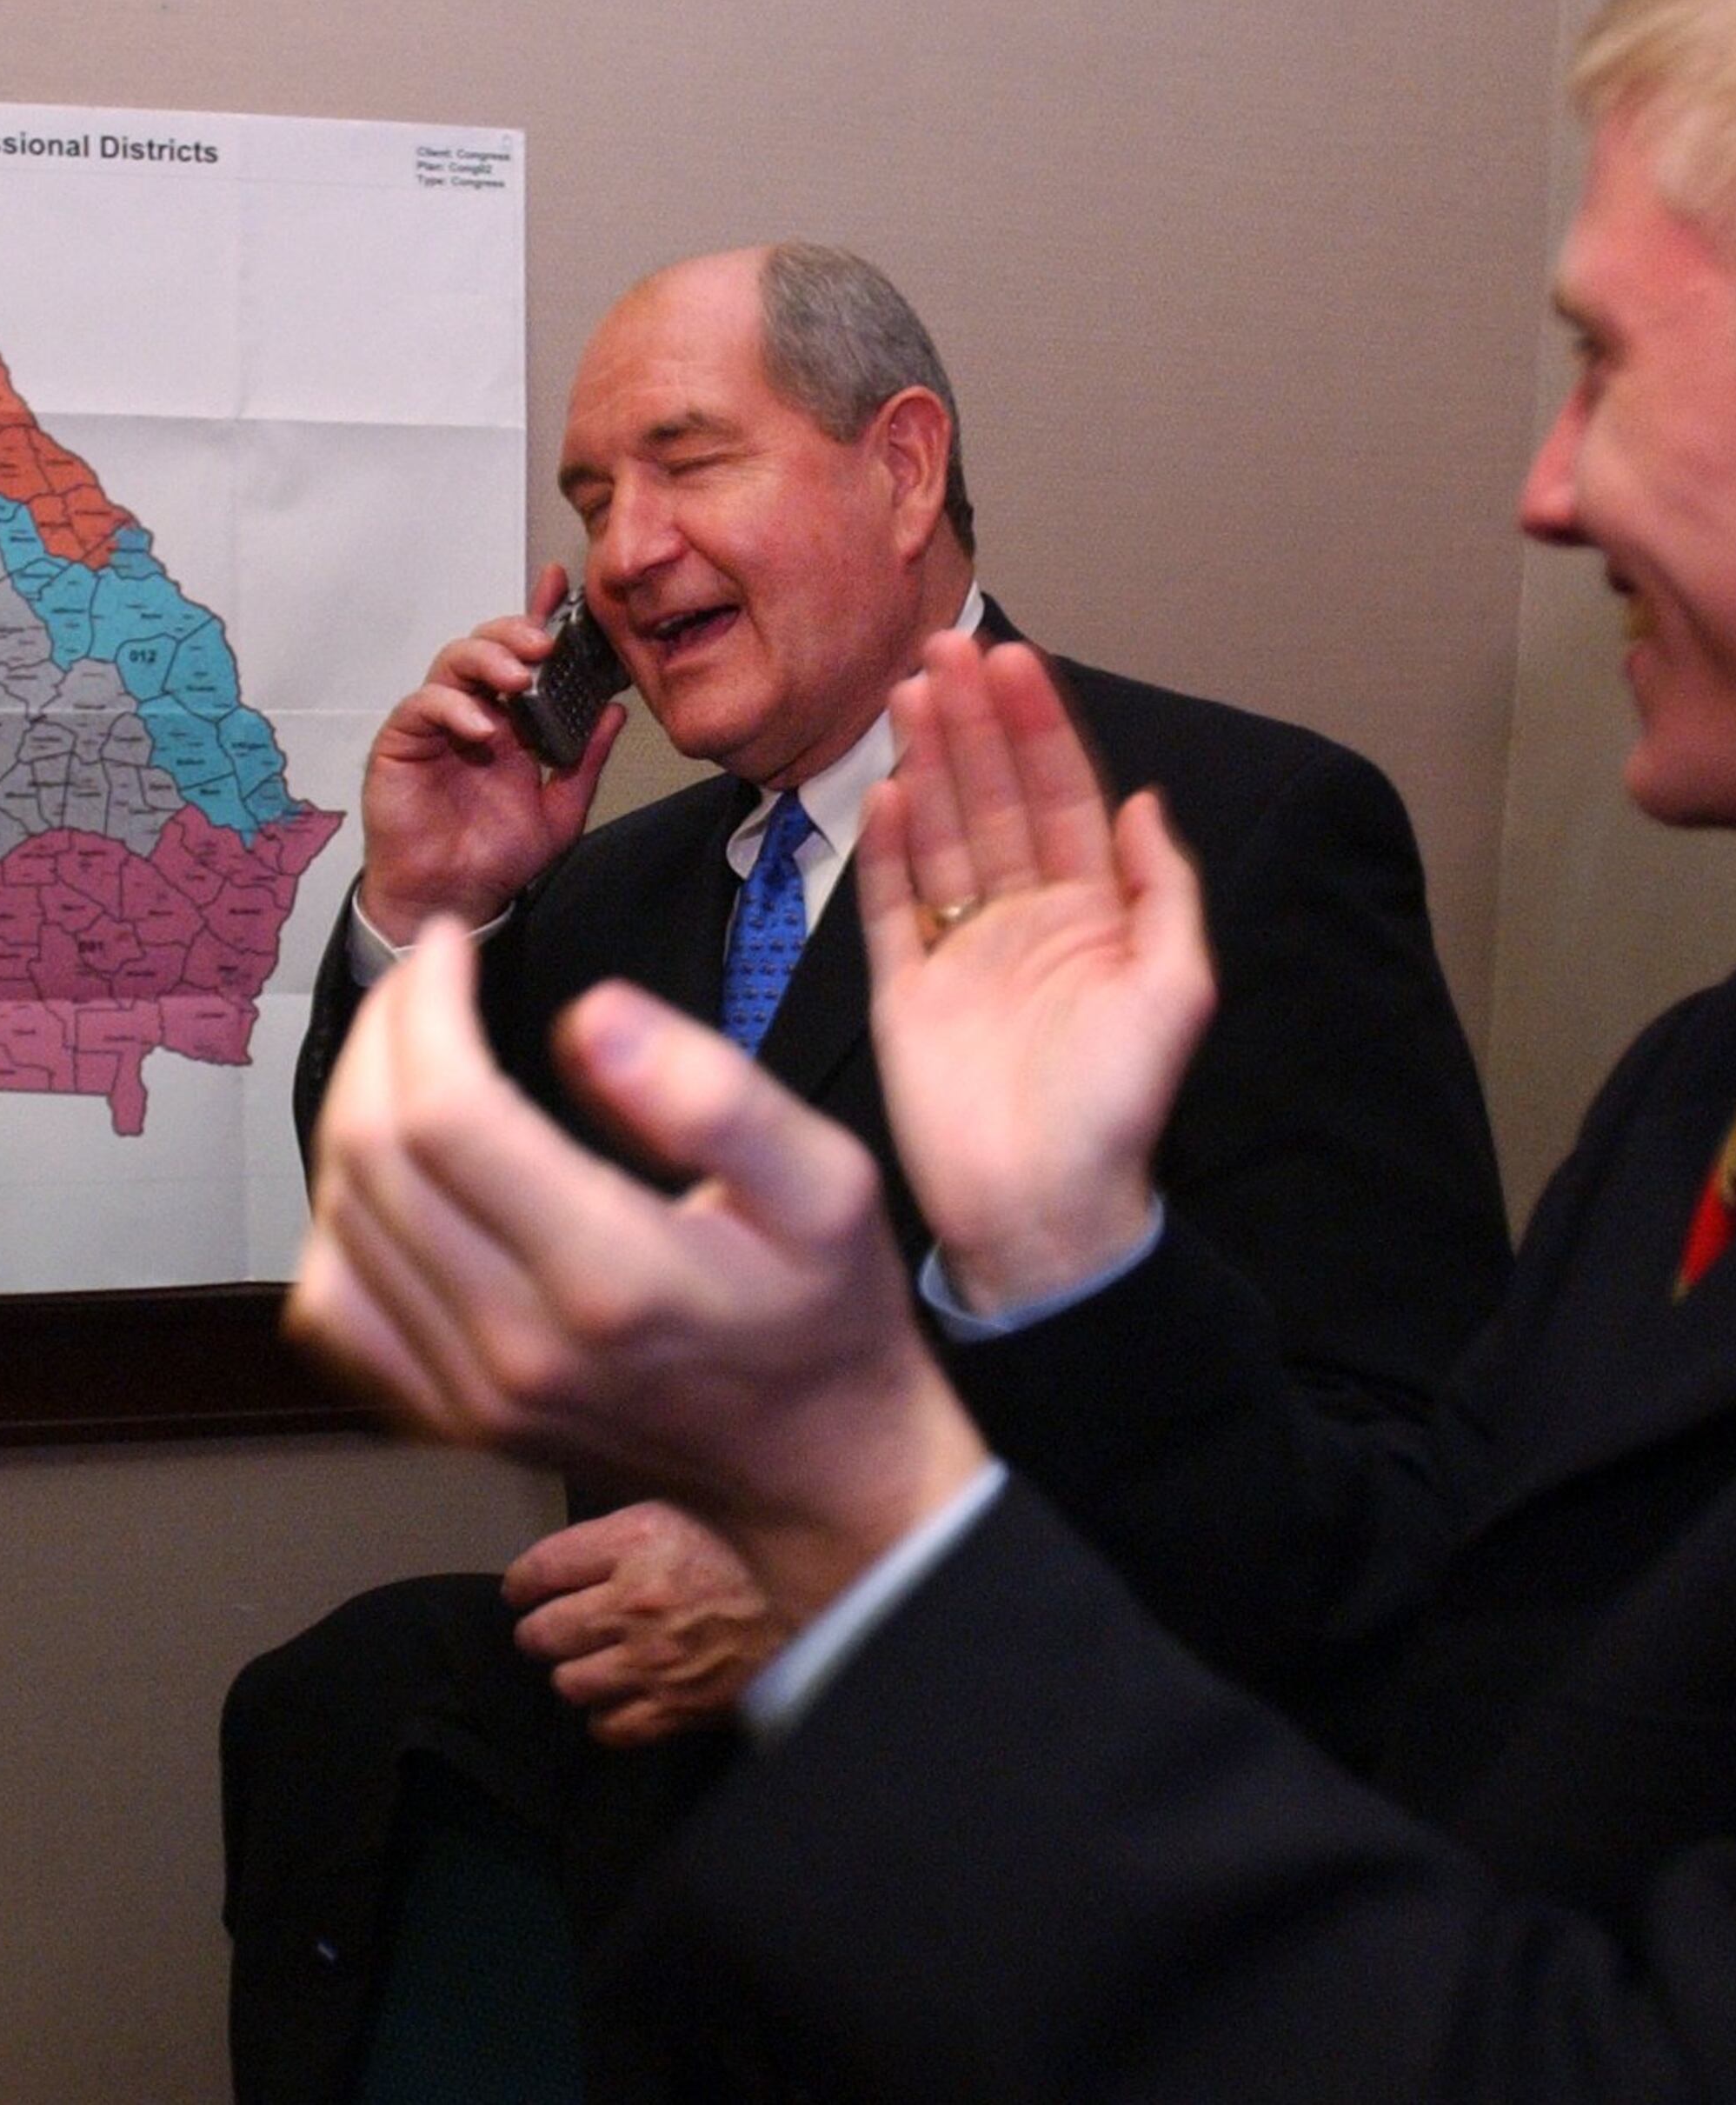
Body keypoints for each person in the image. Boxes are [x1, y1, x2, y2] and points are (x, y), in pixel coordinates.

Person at [283, 0, 1736, 2093]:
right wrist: (1068, 1263)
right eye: (593, 497)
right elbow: (1415, 1628)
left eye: (1616, 367)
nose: (1550, 491)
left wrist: (848, 1535)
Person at [230, 243, 1509, 2097]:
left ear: (904, 468)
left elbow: (1390, 1493)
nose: (626, 549)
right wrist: (425, 915)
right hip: (669, 1923)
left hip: (1038, 1939)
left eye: (690, 463)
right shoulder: (606, 893)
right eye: (595, 499)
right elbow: (404, 1236)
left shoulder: (1235, 834)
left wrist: (853, 1573)